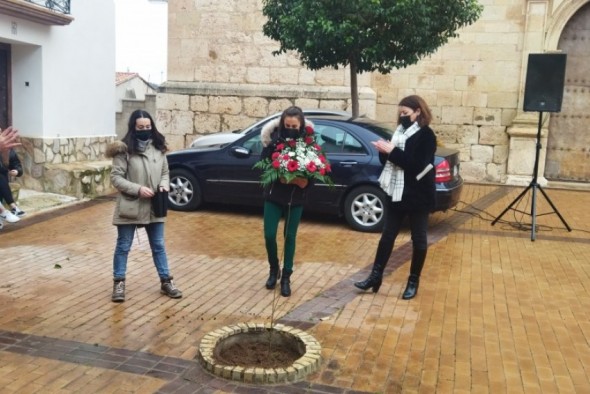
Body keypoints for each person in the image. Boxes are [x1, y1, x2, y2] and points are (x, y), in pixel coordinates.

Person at [354, 95, 437, 300]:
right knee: (387, 236)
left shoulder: (427, 136)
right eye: (400, 113)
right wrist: (383, 151)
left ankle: (413, 281)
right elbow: (391, 163)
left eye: (406, 113)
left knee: (418, 239)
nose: (402, 117)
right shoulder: (399, 133)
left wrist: (391, 152)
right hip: (396, 192)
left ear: (418, 112)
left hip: (418, 195)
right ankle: (375, 276)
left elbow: (416, 165)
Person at [105, 109, 182, 303]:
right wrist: (138, 189)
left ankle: (166, 281)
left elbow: (165, 171)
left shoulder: (159, 147)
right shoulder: (123, 151)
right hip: (131, 204)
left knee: (158, 245)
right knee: (123, 245)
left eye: (148, 127)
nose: (145, 130)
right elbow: (116, 178)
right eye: (141, 127)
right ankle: (119, 282)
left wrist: (164, 184)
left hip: (155, 204)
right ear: (133, 128)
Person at [259, 106, 312, 297]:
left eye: (294, 126)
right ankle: (274, 269)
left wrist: (301, 181)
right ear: (282, 123)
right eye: (287, 125)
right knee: (269, 234)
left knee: (290, 237)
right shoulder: (274, 140)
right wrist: (277, 173)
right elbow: (263, 165)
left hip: (295, 197)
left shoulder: (308, 143)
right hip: (274, 195)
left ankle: (287, 276)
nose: (290, 128)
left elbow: (315, 170)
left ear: (301, 125)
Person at [0, 147, 26, 219]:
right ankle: (11, 207)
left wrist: (17, 171)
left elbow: (16, 165)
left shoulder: (9, 150)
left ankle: (12, 208)